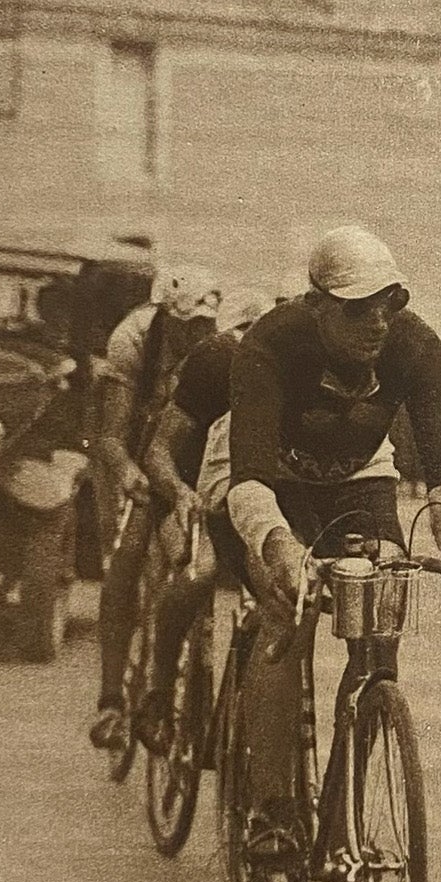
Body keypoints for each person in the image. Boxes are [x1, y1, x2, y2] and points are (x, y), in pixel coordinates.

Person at [225, 226, 441, 838]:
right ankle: (269, 809)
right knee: (284, 618)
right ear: (316, 304)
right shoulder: (270, 344)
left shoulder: (416, 346)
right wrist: (279, 546)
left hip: (362, 478)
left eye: (389, 303)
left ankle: (342, 801)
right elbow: (248, 481)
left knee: (379, 637)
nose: (377, 322)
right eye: (357, 308)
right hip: (279, 484)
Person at [133, 286, 274, 753]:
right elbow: (156, 451)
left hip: (243, 495)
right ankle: (158, 688)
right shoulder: (215, 364)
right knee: (200, 573)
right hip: (186, 488)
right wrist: (178, 493)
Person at [88, 265, 222, 752]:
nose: (198, 335)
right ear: (166, 316)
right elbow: (109, 435)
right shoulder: (133, 341)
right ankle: (110, 700)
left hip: (182, 453)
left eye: (206, 325)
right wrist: (128, 473)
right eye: (189, 326)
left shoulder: (213, 348)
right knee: (125, 560)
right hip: (130, 448)